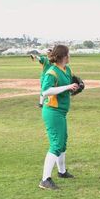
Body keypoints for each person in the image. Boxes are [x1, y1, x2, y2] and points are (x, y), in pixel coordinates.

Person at [38, 45, 79, 190]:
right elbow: (45, 91)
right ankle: (45, 180)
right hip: (52, 112)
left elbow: (69, 84)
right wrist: (67, 87)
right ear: (63, 56)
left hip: (61, 111)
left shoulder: (67, 69)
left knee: (63, 142)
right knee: (56, 144)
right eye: (68, 54)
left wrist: (75, 87)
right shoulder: (52, 72)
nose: (70, 56)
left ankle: (62, 172)